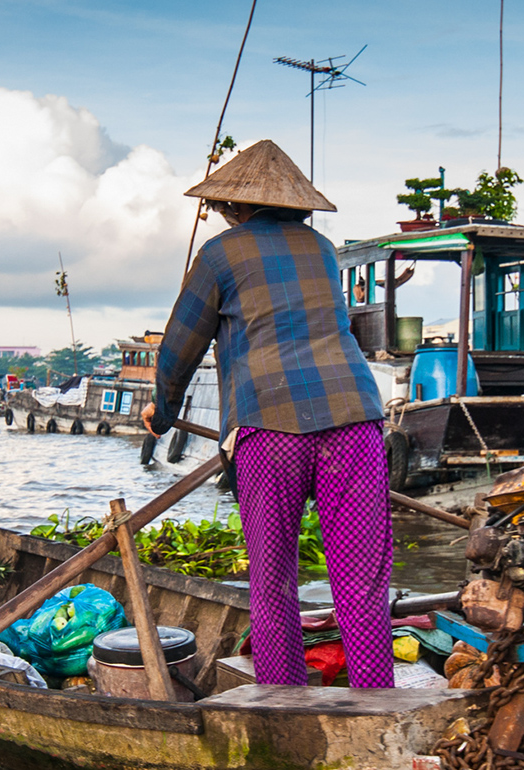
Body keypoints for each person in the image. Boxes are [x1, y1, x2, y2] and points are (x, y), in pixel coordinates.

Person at [140, 139, 394, 689]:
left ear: (235, 207)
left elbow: (179, 346)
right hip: (355, 420)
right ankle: (376, 696)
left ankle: (282, 697)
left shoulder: (219, 253)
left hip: (270, 428)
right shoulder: (323, 249)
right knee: (361, 577)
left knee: (273, 578)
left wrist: (161, 415)